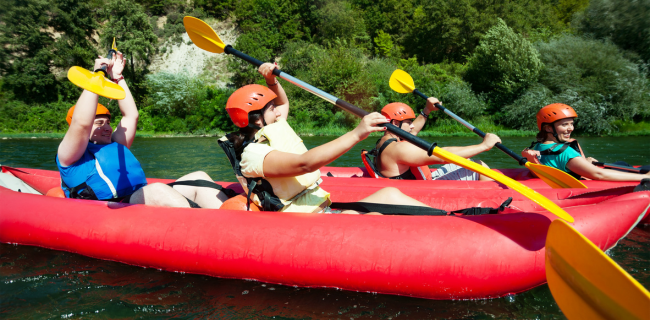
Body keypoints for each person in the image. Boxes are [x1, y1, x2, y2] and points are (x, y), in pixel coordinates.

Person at [217, 63, 438, 214]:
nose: (278, 112)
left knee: (389, 193)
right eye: (271, 108)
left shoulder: (274, 128)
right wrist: (357, 133)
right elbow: (305, 164)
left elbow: (283, 105)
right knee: (367, 216)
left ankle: (446, 219)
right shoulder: (253, 154)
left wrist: (271, 81)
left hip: (322, 209)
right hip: (304, 222)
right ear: (257, 120)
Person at [57, 54, 229, 208]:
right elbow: (81, 124)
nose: (107, 127)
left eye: (108, 122)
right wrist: (97, 74)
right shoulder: (70, 156)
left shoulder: (117, 144)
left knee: (199, 178)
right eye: (99, 123)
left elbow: (131, 115)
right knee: (157, 191)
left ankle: (234, 220)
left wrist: (118, 77)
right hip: (112, 206)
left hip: (137, 199)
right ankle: (209, 230)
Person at [363, 100, 501, 181]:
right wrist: (484, 146)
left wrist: (427, 110)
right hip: (427, 189)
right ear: (394, 123)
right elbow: (442, 156)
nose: (412, 126)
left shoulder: (384, 141)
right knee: (480, 167)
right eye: (408, 122)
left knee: (474, 163)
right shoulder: (399, 149)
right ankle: (492, 207)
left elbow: (412, 132)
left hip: (423, 182)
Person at [521, 103, 649, 181]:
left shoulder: (538, 146)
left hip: (573, 169)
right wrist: (646, 178)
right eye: (564, 124)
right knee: (625, 165)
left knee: (620, 164)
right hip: (589, 178)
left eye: (571, 124)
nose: (570, 128)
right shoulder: (565, 152)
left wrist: (583, 162)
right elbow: (599, 174)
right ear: (548, 128)